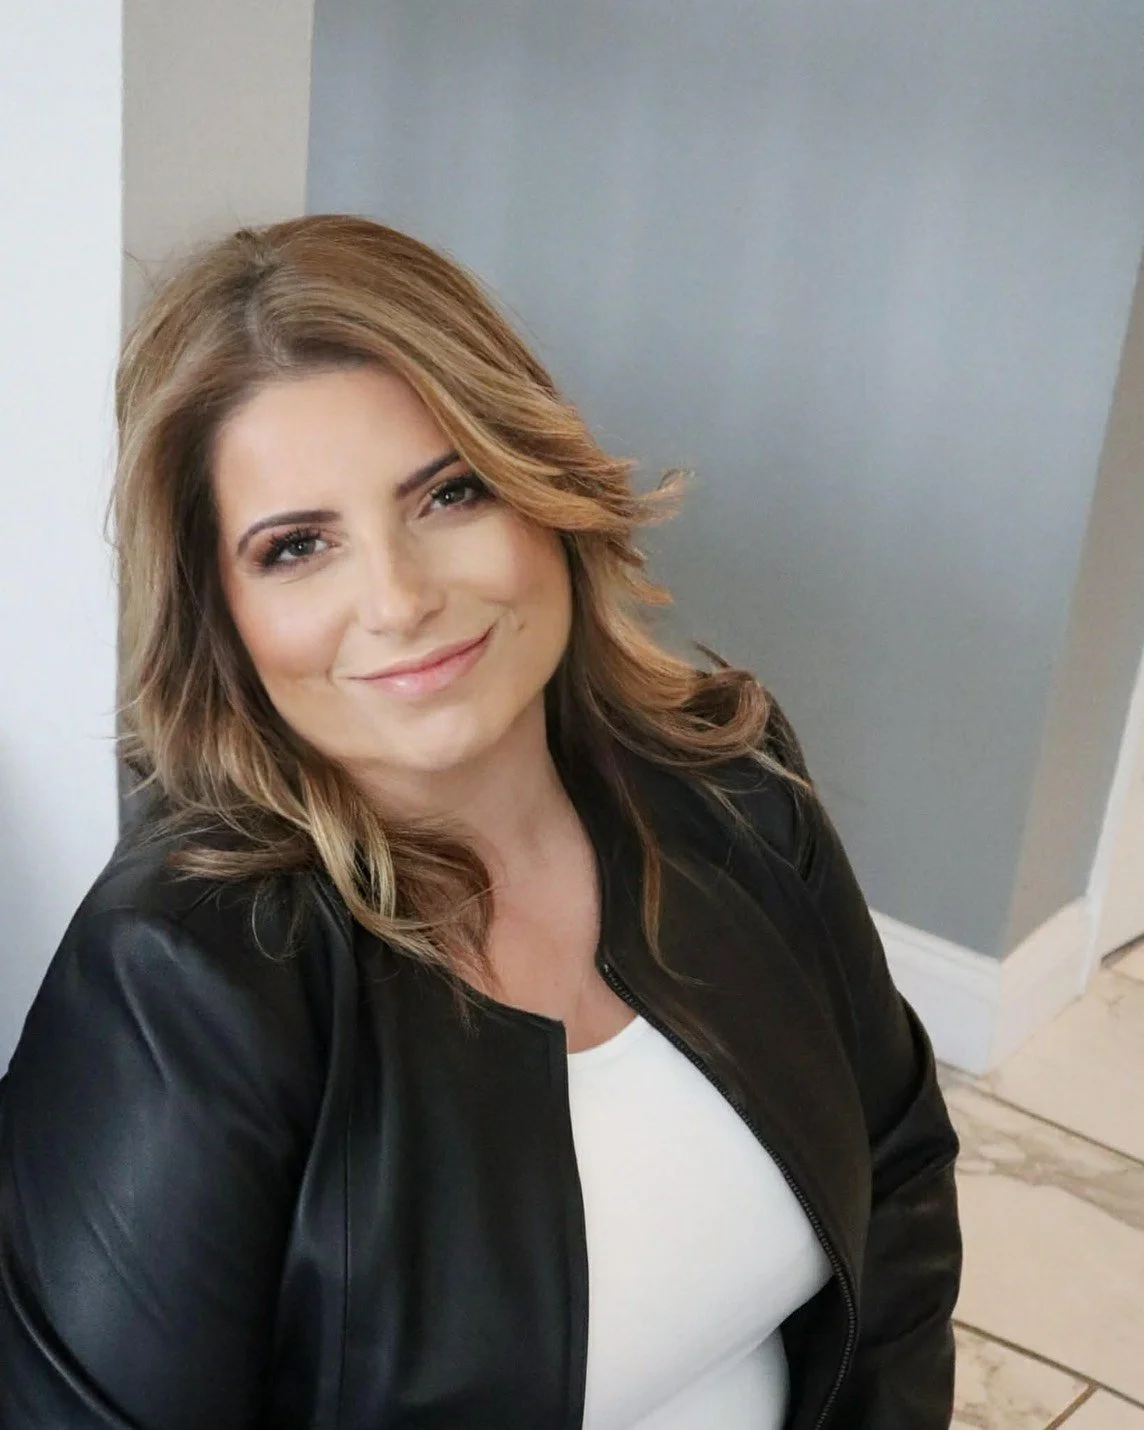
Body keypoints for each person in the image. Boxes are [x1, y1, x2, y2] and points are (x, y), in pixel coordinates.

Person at [0, 215, 961, 1429]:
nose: (398, 599)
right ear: (220, 615)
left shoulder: (738, 783)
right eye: (298, 547)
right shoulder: (176, 986)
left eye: (449, 492)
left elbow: (901, 1176)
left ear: (541, 486)